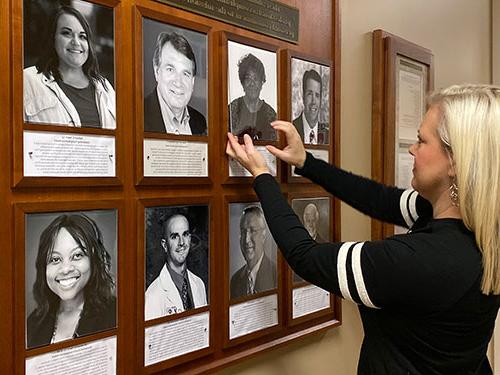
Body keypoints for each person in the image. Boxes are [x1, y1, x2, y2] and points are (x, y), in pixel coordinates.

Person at [226, 84, 500, 374]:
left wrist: (262, 176)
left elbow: (306, 257)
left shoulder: (424, 260)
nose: (412, 148)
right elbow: (378, 199)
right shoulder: (474, 224)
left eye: (421, 141)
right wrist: (306, 162)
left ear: (455, 161)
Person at [27, 214, 116, 349]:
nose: (66, 269)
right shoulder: (34, 322)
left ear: (93, 260)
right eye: (55, 259)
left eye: (77, 255)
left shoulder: (115, 314)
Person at [23, 6, 115, 129]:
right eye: (67, 33)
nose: (76, 42)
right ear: (53, 38)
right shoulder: (27, 80)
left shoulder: (105, 88)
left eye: (82, 36)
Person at [145, 214, 207, 320]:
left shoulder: (199, 284)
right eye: (174, 236)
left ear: (190, 238)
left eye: (185, 234)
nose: (181, 242)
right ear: (165, 245)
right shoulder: (153, 296)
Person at [144, 32, 207, 135]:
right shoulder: (137, 116)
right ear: (157, 71)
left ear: (192, 81)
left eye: (185, 73)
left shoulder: (199, 122)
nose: (178, 82)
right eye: (170, 69)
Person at [230, 205, 276, 299]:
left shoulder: (276, 275)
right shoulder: (235, 280)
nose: (246, 240)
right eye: (243, 232)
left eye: (253, 231)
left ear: (263, 235)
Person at [229, 53, 276, 141]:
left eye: (256, 78)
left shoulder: (270, 114)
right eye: (248, 78)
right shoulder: (232, 109)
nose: (252, 83)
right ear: (242, 82)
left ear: (262, 82)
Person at [292, 69, 329, 144]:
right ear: (303, 97)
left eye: (317, 95)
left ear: (321, 100)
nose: (313, 101)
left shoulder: (328, 136)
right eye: (310, 94)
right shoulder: (292, 129)